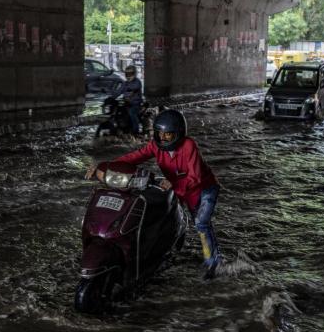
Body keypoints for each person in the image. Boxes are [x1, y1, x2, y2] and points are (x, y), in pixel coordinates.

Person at [86, 109, 222, 279]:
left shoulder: (189, 145)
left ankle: (213, 264)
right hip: (178, 188)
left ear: (179, 134)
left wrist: (174, 184)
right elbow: (134, 157)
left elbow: (195, 177)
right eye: (159, 133)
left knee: (201, 223)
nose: (163, 138)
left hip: (204, 189)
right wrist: (105, 166)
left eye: (168, 135)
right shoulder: (155, 146)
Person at [112, 65, 143, 134]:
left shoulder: (137, 82)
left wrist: (129, 97)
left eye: (130, 74)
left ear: (134, 74)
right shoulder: (125, 83)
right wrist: (112, 97)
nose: (128, 75)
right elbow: (119, 91)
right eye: (127, 74)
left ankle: (136, 131)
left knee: (132, 113)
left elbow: (134, 90)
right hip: (126, 103)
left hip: (135, 103)